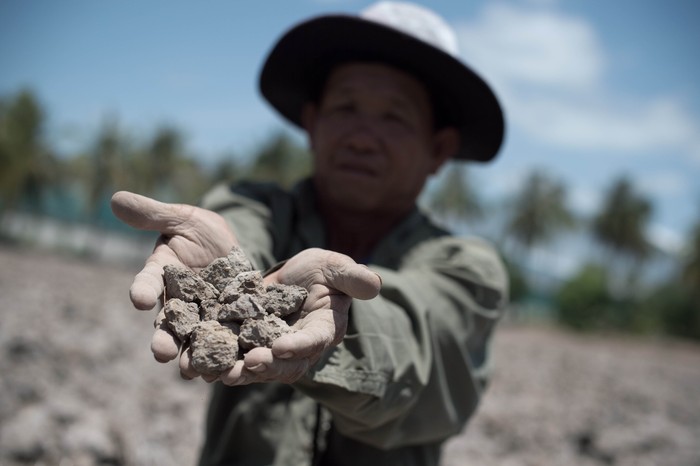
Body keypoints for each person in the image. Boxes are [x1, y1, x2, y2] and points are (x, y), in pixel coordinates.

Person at [111, 2, 508, 465]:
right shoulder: (257, 207)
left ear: (438, 149)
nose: (362, 136)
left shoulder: (467, 269)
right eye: (346, 107)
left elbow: (418, 340)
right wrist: (222, 270)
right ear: (313, 122)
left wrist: (337, 322)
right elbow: (238, 232)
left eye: (394, 117)